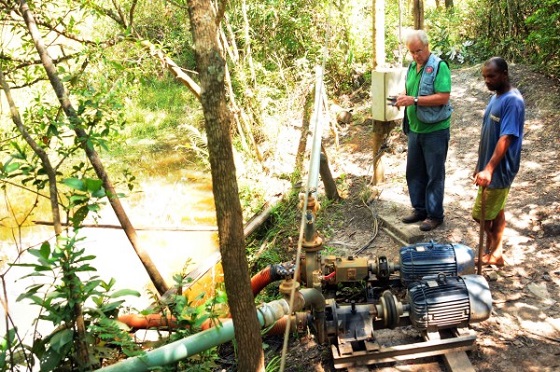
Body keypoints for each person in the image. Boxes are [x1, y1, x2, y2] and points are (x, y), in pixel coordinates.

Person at [395, 30, 452, 231]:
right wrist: (402, 97)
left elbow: (443, 96)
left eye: (418, 51)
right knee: (414, 171)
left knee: (434, 173)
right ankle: (419, 209)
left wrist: (415, 100)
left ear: (427, 46)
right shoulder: (412, 67)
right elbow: (410, 90)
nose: (416, 55)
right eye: (412, 52)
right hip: (415, 129)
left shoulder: (439, 66)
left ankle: (435, 215)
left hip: (435, 130)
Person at [472, 57, 525, 266]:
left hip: (500, 169)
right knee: (497, 210)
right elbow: (488, 133)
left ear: (504, 73)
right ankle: (496, 253)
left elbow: (507, 137)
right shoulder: (496, 97)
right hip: (489, 166)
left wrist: (490, 169)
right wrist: (480, 164)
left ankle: (495, 250)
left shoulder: (512, 101)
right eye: (485, 76)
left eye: (491, 76)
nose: (487, 80)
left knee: (481, 214)